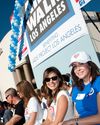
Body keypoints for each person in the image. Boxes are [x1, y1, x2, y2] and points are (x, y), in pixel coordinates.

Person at [60, 51, 100, 125]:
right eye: (74, 66)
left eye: (81, 64)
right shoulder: (76, 89)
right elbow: (77, 115)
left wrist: (73, 122)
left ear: (90, 65)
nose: (78, 69)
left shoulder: (98, 82)